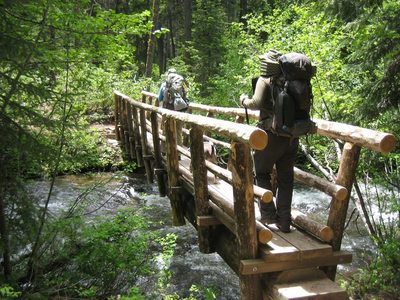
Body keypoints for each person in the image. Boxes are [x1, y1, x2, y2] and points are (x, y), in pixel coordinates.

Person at [240, 50, 298, 233]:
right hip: (291, 136)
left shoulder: (265, 80)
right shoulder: (292, 80)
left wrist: (243, 100)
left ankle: (268, 215)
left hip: (270, 136)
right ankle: (285, 221)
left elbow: (256, 103)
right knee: (286, 180)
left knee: (262, 173)